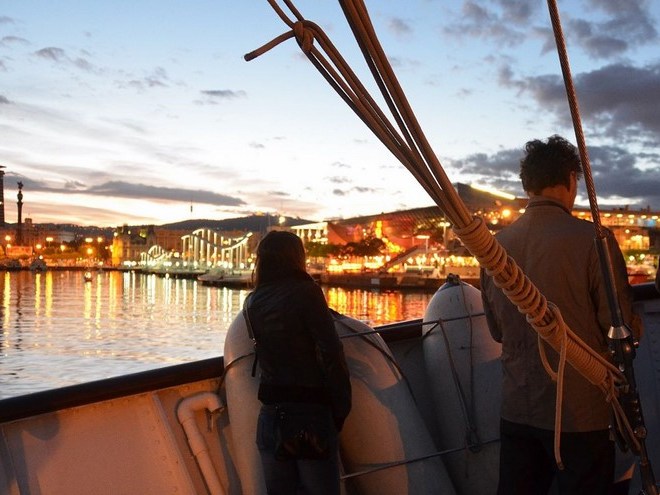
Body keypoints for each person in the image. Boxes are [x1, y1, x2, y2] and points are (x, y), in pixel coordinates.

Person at [479, 135, 641, 495]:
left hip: (517, 410)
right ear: (571, 180)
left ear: (527, 184)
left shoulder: (495, 247)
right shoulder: (593, 239)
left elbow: (496, 330)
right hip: (580, 416)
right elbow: (621, 328)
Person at [245, 230, 352, 495]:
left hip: (270, 416)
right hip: (309, 414)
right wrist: (340, 408)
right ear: (297, 258)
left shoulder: (252, 301)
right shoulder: (307, 292)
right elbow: (331, 351)